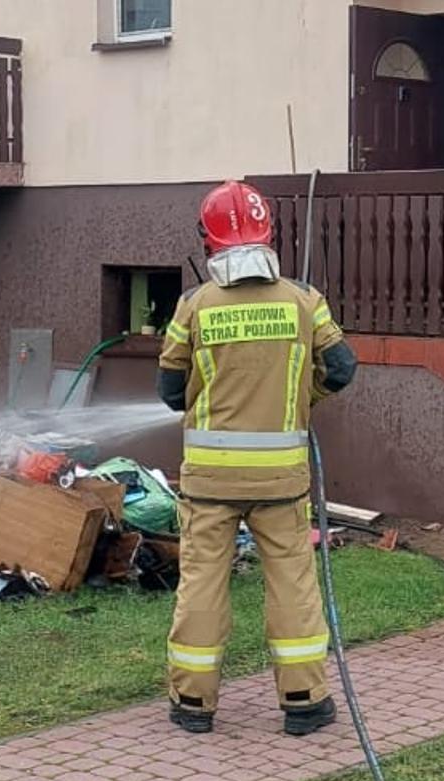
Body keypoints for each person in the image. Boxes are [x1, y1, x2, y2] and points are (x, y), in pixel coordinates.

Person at [158, 180, 359, 735]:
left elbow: (171, 392)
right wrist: (301, 397)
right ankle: (304, 702)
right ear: (268, 231)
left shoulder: (193, 306)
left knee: (202, 584)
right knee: (292, 583)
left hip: (207, 483)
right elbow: (341, 368)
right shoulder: (303, 301)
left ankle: (193, 705)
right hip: (281, 479)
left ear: (209, 239)